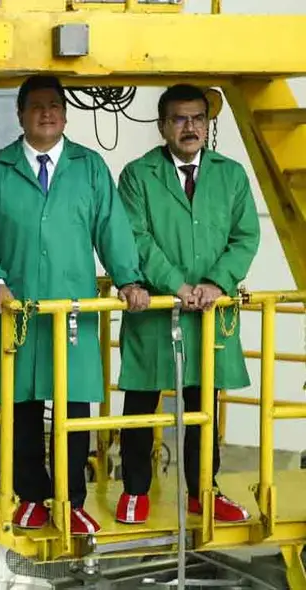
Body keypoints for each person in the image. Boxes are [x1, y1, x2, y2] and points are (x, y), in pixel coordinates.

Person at [0, 75, 150, 536]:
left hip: (73, 311)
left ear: (65, 115)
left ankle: (71, 499)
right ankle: (31, 497)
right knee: (22, 404)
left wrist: (128, 278)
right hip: (19, 310)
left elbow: (111, 227)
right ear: (21, 115)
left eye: (54, 106)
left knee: (73, 407)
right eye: (36, 106)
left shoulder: (89, 168)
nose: (46, 113)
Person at [115, 84, 260, 525]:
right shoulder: (138, 175)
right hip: (156, 310)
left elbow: (245, 236)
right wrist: (177, 285)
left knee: (204, 405)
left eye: (198, 118)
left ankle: (203, 491)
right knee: (141, 404)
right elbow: (136, 238)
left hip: (209, 313)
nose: (190, 127)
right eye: (179, 119)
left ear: (208, 124)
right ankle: (134, 491)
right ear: (163, 126)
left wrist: (216, 283)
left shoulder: (231, 176)